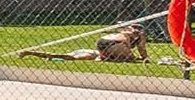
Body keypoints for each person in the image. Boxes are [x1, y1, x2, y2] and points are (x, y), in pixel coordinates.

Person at [17, 24, 147, 63]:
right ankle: (106, 58)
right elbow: (142, 50)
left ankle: (30, 52)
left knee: (70, 57)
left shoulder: (124, 32)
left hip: (102, 43)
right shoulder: (139, 35)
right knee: (131, 59)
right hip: (114, 44)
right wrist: (144, 58)